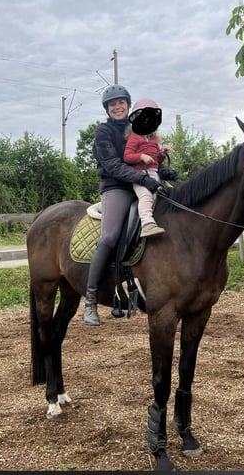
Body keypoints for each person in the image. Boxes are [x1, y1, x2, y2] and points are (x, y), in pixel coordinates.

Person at [83, 84, 163, 326]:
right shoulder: (103, 132)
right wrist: (141, 178)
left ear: (128, 105)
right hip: (116, 187)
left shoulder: (137, 130)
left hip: (142, 183)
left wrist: (165, 171)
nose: (117, 107)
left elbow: (149, 159)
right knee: (108, 236)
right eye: (112, 104)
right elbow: (112, 165)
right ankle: (90, 299)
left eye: (121, 103)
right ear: (107, 109)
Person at [123, 98, 174, 238]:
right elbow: (127, 156)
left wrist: (162, 153)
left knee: (172, 193)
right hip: (140, 175)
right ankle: (147, 224)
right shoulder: (134, 138)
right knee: (146, 196)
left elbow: (156, 160)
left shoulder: (154, 140)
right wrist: (141, 156)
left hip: (154, 174)